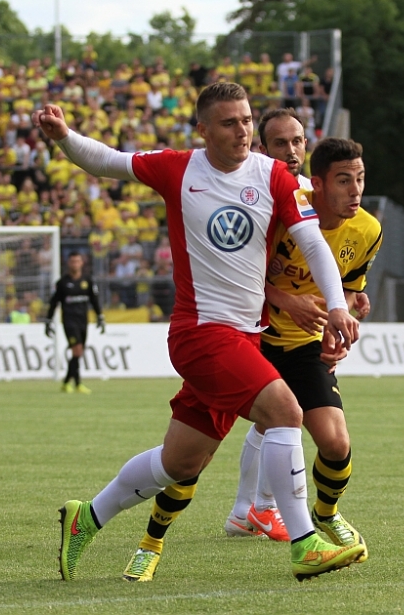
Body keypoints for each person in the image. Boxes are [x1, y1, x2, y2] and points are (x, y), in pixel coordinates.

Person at [33, 82, 365, 583]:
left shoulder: (272, 174)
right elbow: (106, 161)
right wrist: (63, 136)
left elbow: (313, 243)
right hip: (201, 332)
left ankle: (88, 516)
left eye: (247, 120)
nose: (242, 131)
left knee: (179, 462)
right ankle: (304, 543)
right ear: (203, 130)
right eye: (229, 123)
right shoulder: (178, 168)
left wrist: (337, 305)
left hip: (245, 337)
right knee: (285, 411)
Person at [123, 129, 380, 583]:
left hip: (301, 348)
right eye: (280, 143)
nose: (291, 151)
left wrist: (344, 315)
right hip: (248, 339)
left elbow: (347, 286)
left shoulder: (366, 230)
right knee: (192, 456)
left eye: (298, 141)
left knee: (333, 442)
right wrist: (286, 300)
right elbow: (234, 275)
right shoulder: (269, 203)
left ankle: (319, 516)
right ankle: (152, 541)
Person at [46, 252, 104, 394]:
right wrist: (48, 320)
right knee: (77, 350)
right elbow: (54, 303)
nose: (75, 264)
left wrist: (100, 317)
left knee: (79, 352)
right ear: (68, 263)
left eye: (77, 261)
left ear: (82, 263)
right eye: (72, 261)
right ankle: (77, 383)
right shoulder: (62, 283)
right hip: (69, 322)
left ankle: (67, 382)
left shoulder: (87, 281)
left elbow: (94, 300)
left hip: (83, 321)